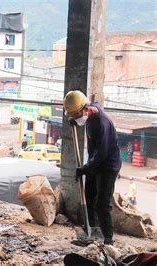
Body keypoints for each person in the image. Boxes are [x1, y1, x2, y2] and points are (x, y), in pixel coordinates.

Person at [64, 90, 122, 245]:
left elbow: (101, 153)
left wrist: (85, 168)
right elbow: (96, 155)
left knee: (103, 203)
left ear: (85, 110)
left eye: (77, 116)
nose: (77, 118)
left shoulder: (102, 123)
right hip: (96, 162)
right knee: (89, 196)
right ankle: (93, 231)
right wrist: (74, 121)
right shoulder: (90, 111)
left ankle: (108, 239)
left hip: (108, 165)